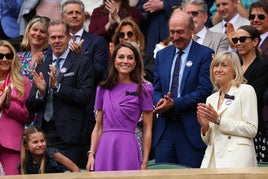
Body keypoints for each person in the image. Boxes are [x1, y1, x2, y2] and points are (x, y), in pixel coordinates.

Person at [26, 20, 95, 169]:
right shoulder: (42, 66)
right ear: (48, 40)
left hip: (72, 137)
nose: (57, 41)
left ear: (69, 38)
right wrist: (41, 92)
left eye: (61, 37)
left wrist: (57, 87)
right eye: (53, 37)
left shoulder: (82, 62)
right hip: (45, 137)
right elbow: (30, 105)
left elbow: (85, 97)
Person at [153, 10, 214, 168]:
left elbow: (204, 91)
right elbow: (156, 88)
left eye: (180, 32)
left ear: (192, 29)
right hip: (165, 130)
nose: (175, 37)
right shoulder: (162, 55)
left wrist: (175, 103)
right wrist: (160, 101)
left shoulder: (205, 54)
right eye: (172, 32)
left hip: (190, 130)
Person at [86, 42, 154, 171]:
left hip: (128, 147)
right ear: (114, 60)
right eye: (121, 57)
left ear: (135, 62)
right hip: (105, 148)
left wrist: (145, 161)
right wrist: (91, 154)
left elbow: (147, 127)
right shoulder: (102, 88)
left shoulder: (144, 89)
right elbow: (98, 125)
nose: (125, 61)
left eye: (130, 57)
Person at [197, 51, 258, 168]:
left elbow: (252, 129)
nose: (218, 69)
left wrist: (219, 120)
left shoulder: (246, 91)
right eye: (215, 65)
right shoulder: (211, 99)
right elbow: (210, 139)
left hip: (237, 160)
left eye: (224, 65)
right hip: (212, 161)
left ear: (234, 69)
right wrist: (205, 128)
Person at [232, 25, 268, 162]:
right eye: (235, 40)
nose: (239, 43)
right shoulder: (234, 68)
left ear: (255, 42)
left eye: (242, 39)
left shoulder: (263, 67)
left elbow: (255, 96)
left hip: (252, 127)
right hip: (233, 127)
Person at [0, 40, 34, 175]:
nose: (4, 59)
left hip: (10, 144)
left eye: (8, 56)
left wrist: (9, 105)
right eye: (0, 56)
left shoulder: (22, 82)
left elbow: (28, 116)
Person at [61, 0, 109, 86]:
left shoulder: (98, 41)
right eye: (70, 13)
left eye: (78, 13)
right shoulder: (56, 41)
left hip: (86, 94)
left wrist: (81, 58)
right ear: (63, 17)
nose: (74, 16)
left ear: (84, 16)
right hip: (59, 94)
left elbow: (101, 74)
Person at [111, 17, 154, 83]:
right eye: (122, 35)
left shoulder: (149, 59)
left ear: (138, 39)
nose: (125, 37)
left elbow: (148, 80)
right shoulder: (114, 60)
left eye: (130, 34)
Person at [18, 16, 50, 82]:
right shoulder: (18, 57)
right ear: (28, 32)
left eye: (42, 31)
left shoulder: (50, 57)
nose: (38, 34)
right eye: (35, 30)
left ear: (47, 36)